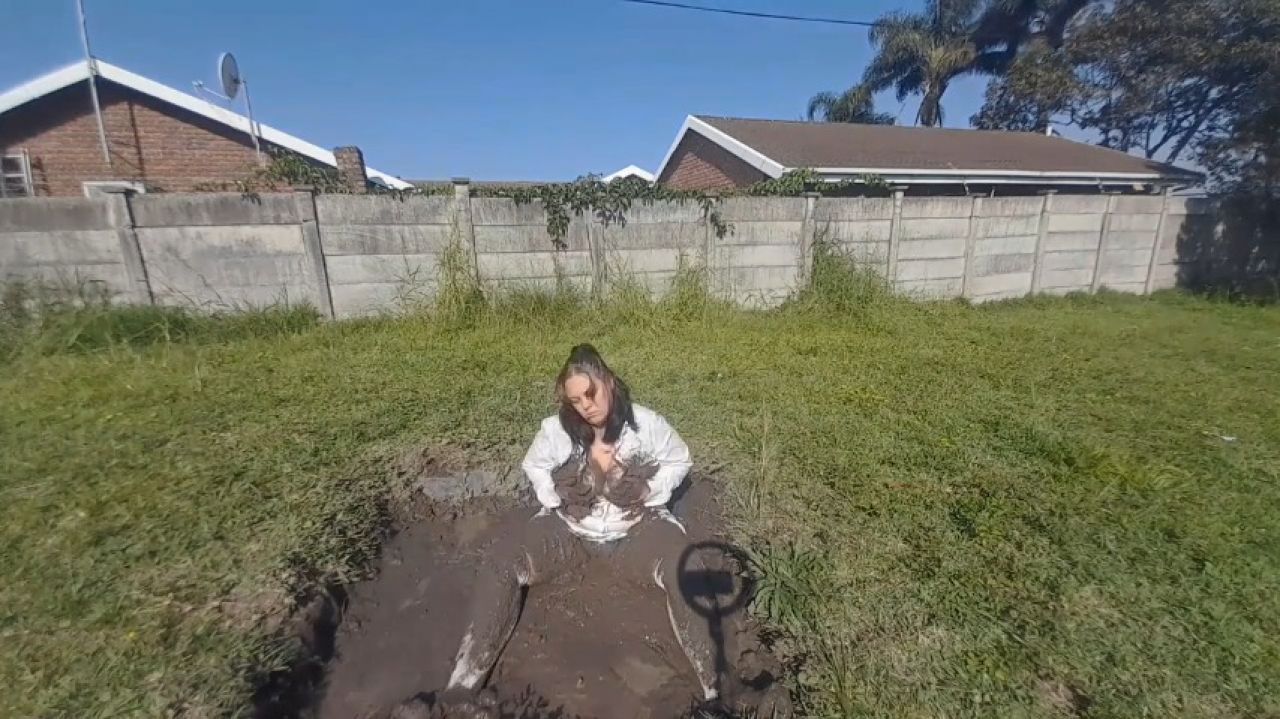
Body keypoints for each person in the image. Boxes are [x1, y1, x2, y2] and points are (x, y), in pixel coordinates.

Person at [436, 343, 720, 713]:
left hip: (637, 530)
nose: (586, 405)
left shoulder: (648, 425)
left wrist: (650, 490)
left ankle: (715, 692)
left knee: (684, 562)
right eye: (576, 400)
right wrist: (556, 493)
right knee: (503, 557)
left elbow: (680, 460)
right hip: (568, 532)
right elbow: (534, 467)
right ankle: (461, 687)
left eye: (591, 393)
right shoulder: (556, 432)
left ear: (610, 382)